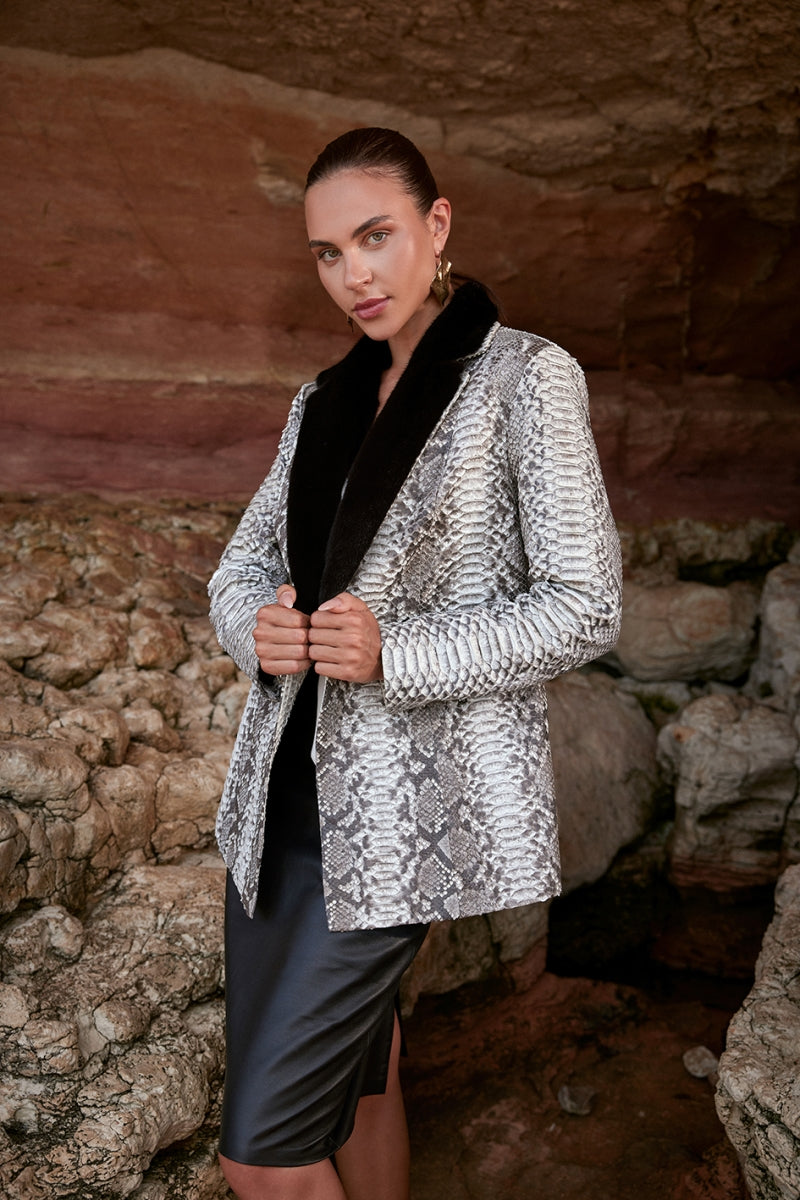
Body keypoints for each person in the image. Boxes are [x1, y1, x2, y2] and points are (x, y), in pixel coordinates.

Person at [208, 126, 622, 1200]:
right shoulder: (322, 400)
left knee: (260, 1153)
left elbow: (585, 607)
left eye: (374, 236)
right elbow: (243, 562)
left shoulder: (525, 379)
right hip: (273, 813)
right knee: (369, 1078)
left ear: (436, 227)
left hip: (404, 817)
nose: (353, 274)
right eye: (326, 252)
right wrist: (254, 618)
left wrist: (400, 650)